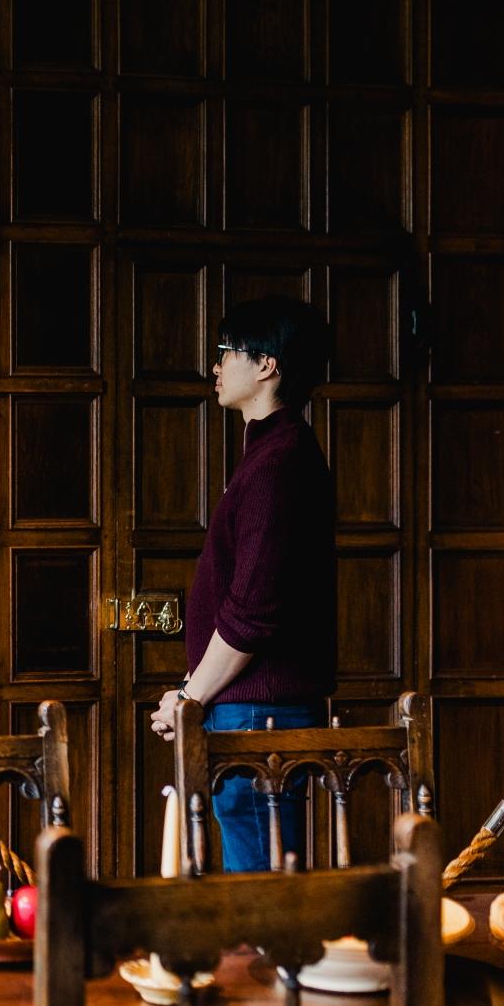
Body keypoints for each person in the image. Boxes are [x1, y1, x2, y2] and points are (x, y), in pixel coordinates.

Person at [148, 296, 335, 872]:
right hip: (250, 707)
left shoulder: (279, 463)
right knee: (257, 886)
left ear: (266, 365)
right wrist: (190, 687)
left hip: (259, 714)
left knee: (261, 901)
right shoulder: (271, 454)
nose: (217, 366)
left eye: (227, 352)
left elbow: (252, 614)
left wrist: (189, 699)